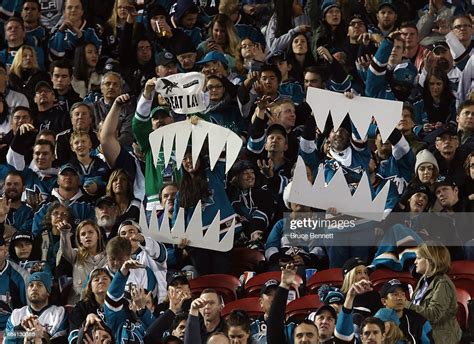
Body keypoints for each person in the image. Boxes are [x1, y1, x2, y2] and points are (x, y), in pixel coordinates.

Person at [406, 242, 461, 343]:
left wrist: (407, 305)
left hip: (439, 338)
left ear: (430, 261)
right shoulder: (424, 279)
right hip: (423, 332)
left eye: (418, 258)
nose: (415, 262)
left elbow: (434, 315)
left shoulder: (443, 284)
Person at [4, 271, 68, 343]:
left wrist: (41, 335)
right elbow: (7, 340)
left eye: (39, 285)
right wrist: (20, 328)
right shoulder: (16, 314)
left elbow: (61, 340)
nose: (34, 288)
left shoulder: (59, 313)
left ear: (48, 292)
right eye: (31, 285)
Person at [59, 219, 107, 304]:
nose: (87, 236)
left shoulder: (108, 256)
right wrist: (64, 232)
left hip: (102, 302)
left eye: (90, 232)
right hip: (78, 302)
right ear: (80, 240)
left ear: (98, 235)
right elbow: (65, 249)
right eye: (83, 234)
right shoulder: (76, 255)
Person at [379, 279, 434, 343]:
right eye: (395, 294)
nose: (400, 298)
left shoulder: (419, 320)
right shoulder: (376, 323)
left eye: (402, 294)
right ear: (384, 301)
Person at [68, 267, 112, 344]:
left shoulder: (121, 305)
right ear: (90, 287)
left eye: (105, 278)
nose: (101, 281)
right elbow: (73, 336)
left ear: (112, 284)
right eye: (96, 280)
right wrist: (86, 323)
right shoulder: (81, 307)